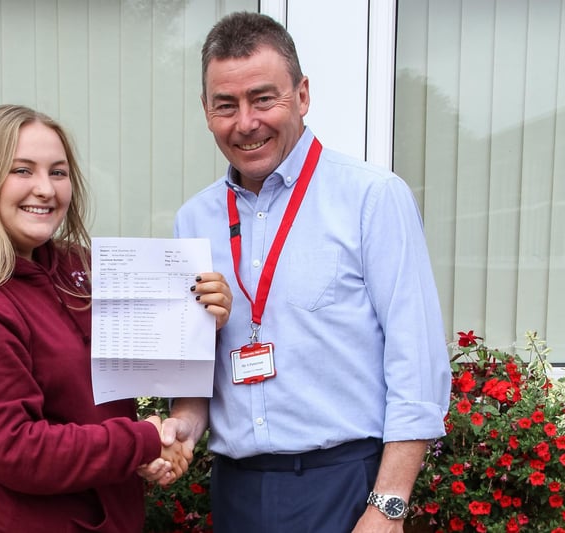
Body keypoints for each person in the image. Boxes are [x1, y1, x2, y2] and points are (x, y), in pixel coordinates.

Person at [158, 12, 451, 532]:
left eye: (263, 98)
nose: (245, 122)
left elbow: (417, 362)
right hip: (237, 492)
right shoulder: (194, 220)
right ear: (206, 112)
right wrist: (182, 428)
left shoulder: (373, 198)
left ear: (303, 95)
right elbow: (199, 371)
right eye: (226, 105)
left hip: (346, 487)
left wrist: (387, 507)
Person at [0, 104, 231, 533]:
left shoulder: (81, 270)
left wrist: (205, 314)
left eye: (58, 172)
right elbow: (17, 451)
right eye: (22, 170)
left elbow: (159, 348)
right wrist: (143, 440)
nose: (46, 189)